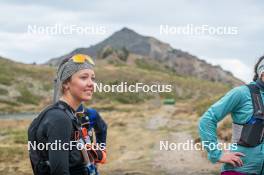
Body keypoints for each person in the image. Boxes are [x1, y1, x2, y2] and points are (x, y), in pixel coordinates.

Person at [28, 54, 107, 175]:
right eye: (84, 77)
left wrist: (99, 151)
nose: (91, 83)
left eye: (93, 78)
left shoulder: (74, 114)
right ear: (66, 83)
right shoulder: (59, 119)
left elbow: (102, 128)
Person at [199, 55, 264, 175]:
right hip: (240, 169)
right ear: (262, 73)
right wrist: (217, 154)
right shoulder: (241, 93)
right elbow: (207, 120)